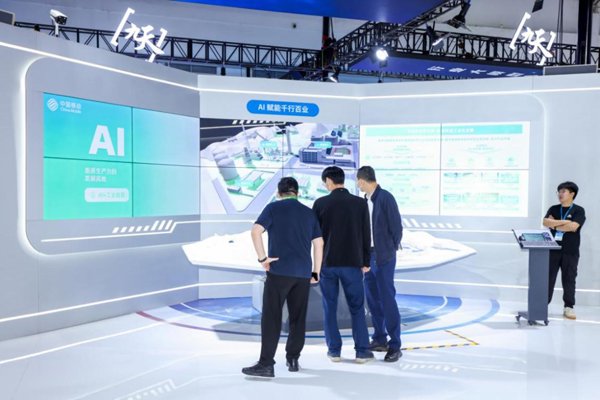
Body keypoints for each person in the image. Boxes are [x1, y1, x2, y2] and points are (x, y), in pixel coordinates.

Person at [242, 177, 324, 378]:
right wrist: (316, 272)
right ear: (297, 192)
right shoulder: (308, 212)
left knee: (272, 317)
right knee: (298, 318)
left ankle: (266, 363)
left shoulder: (273, 208)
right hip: (303, 273)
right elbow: (319, 243)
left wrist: (263, 258)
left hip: (279, 271)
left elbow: (255, 231)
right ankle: (293, 358)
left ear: (279, 193)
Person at [312, 166, 374, 363]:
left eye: (325, 182)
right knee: (357, 308)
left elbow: (315, 239)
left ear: (329, 181)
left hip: (327, 265)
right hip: (353, 264)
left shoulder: (320, 203)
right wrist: (366, 261)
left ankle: (334, 351)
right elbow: (366, 235)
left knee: (329, 307)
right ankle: (362, 352)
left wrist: (315, 268)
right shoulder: (360, 203)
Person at [356, 166, 403, 362]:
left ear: (362, 180)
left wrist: (388, 250)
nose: (358, 185)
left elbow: (396, 228)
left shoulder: (385, 198)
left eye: (358, 181)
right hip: (369, 257)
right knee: (373, 300)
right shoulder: (365, 201)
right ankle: (379, 338)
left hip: (383, 257)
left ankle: (395, 345)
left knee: (387, 299)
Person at [542, 181, 585, 320]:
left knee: (569, 279)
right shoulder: (553, 208)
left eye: (563, 191)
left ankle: (569, 307)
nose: (560, 194)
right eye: (559, 191)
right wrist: (565, 222)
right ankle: (543, 305)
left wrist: (554, 224)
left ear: (572, 194)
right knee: (548, 278)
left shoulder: (579, 210)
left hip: (570, 251)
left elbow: (573, 227)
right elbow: (545, 222)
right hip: (552, 249)